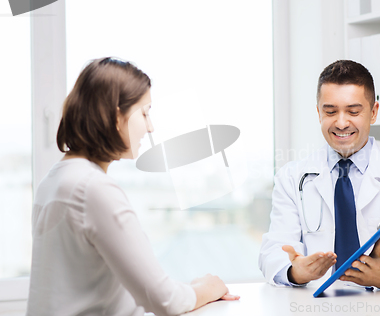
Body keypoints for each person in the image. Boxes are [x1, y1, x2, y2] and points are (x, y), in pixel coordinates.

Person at [26, 57, 239, 315]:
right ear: (117, 115)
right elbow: (163, 300)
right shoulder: (92, 189)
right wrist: (208, 288)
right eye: (145, 112)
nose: (150, 128)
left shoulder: (54, 180)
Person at [259, 60, 380, 290]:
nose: (342, 122)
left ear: (373, 112)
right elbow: (273, 250)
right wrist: (295, 272)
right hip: (314, 308)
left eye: (353, 111)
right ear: (318, 113)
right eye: (330, 111)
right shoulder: (291, 178)